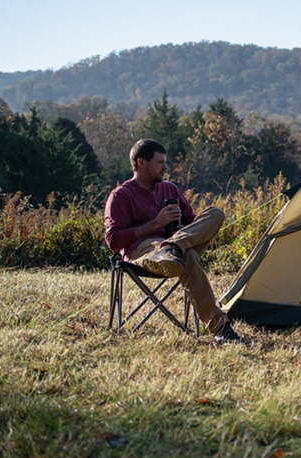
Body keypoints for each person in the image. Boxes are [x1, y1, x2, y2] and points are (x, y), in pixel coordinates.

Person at [104, 139, 243, 345]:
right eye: (160, 162)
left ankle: (173, 248)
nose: (165, 167)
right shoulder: (121, 195)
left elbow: (194, 224)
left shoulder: (169, 189)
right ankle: (220, 329)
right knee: (189, 256)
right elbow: (113, 241)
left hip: (176, 245)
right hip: (145, 251)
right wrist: (156, 224)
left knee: (215, 213)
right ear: (141, 163)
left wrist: (178, 232)